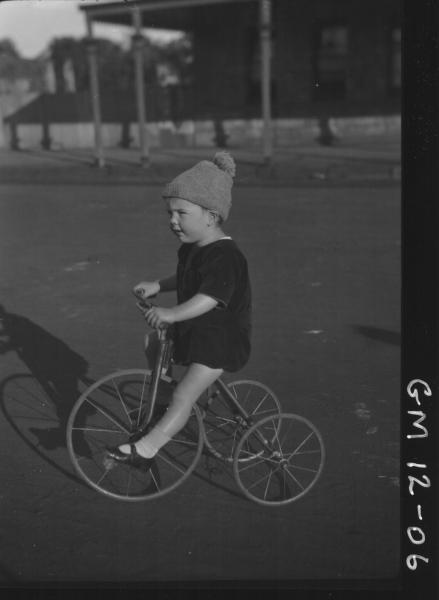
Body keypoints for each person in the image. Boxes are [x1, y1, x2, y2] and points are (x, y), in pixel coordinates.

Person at [108, 151, 252, 469]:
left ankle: (146, 450)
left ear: (211, 216)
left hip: (221, 340)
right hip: (198, 328)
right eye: (170, 213)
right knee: (153, 343)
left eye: (181, 213)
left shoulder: (226, 256)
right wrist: (159, 285)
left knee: (184, 395)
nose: (173, 221)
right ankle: (162, 405)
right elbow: (187, 278)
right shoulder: (191, 248)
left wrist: (171, 314)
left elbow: (210, 297)